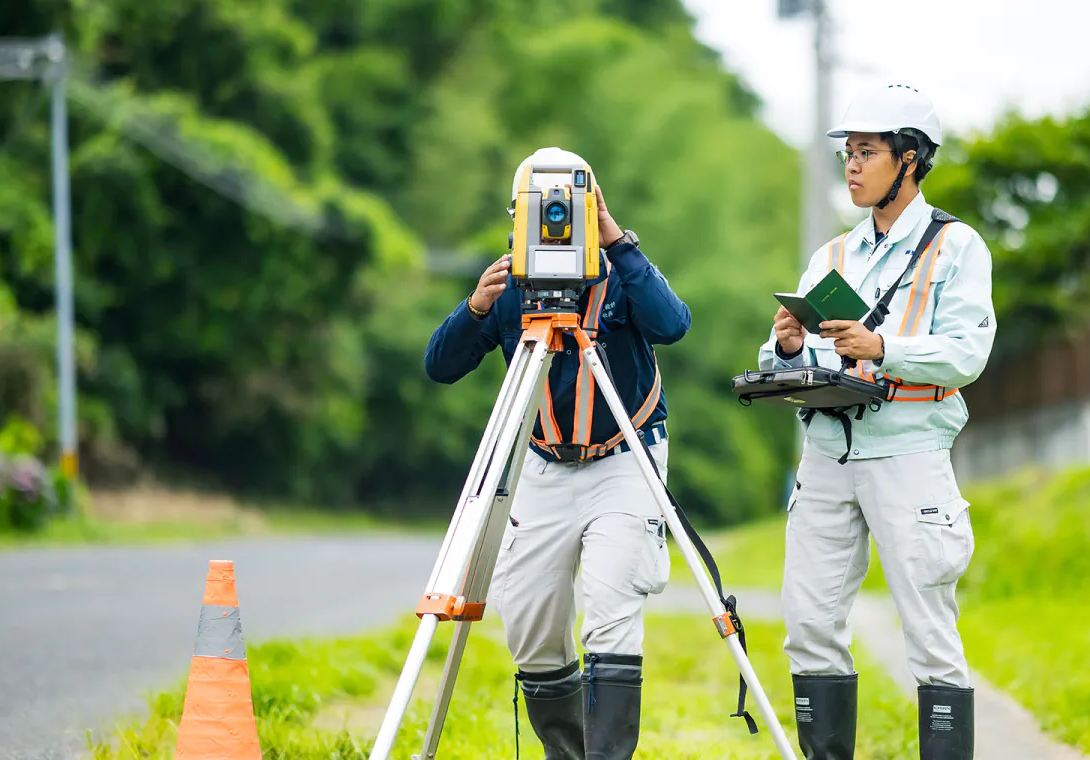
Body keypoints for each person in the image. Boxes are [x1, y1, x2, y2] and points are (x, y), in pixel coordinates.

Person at [424, 146, 691, 760]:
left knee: (611, 611)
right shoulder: (511, 287)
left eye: (566, 207)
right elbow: (440, 366)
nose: (553, 220)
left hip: (625, 457)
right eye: (538, 209)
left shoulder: (618, 271)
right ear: (515, 213)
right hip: (543, 464)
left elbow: (672, 324)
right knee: (532, 624)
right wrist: (476, 307)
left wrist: (617, 241)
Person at [756, 83, 996, 760]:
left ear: (911, 158)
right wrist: (789, 347)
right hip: (826, 454)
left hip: (910, 451)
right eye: (848, 154)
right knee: (807, 623)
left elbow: (966, 354)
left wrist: (884, 347)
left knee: (929, 631)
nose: (852, 166)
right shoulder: (830, 256)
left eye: (867, 152)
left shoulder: (958, 249)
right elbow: (773, 356)